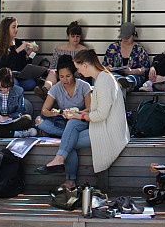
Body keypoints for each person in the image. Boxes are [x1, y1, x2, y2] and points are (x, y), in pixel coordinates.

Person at [35, 49, 129, 189]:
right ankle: (60, 161)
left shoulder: (104, 80)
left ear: (85, 65)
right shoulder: (102, 78)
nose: (78, 72)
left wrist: (80, 115)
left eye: (78, 68)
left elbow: (101, 114)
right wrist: (77, 116)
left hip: (109, 131)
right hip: (101, 125)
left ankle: (67, 174)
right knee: (71, 129)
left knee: (68, 140)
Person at [35, 55, 92, 137]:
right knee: (39, 120)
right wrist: (52, 113)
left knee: (75, 124)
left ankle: (57, 133)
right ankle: (68, 134)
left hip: (79, 119)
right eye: (61, 77)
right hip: (63, 119)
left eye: (68, 76)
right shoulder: (56, 88)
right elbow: (44, 110)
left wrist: (76, 113)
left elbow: (89, 109)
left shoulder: (84, 86)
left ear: (74, 74)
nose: (65, 80)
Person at [36, 21, 87, 100]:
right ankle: (46, 88)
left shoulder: (83, 50)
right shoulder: (59, 49)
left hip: (76, 75)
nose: (75, 39)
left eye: (77, 36)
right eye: (73, 36)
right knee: (52, 72)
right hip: (60, 75)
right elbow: (53, 67)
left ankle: (50, 91)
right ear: (68, 36)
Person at [0, 16, 39, 91]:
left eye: (17, 27)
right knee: (14, 84)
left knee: (31, 83)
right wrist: (18, 50)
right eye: (13, 27)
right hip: (4, 76)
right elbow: (4, 63)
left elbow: (22, 66)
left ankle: (17, 90)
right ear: (6, 29)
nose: (16, 30)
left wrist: (29, 55)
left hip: (17, 76)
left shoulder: (18, 42)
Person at [103, 22, 150, 91]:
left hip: (133, 76)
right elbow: (103, 66)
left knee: (132, 79)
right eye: (123, 37)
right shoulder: (113, 48)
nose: (125, 39)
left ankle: (125, 83)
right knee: (112, 77)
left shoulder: (139, 49)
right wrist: (107, 68)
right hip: (115, 75)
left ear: (134, 35)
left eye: (128, 37)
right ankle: (121, 83)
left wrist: (131, 71)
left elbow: (145, 69)